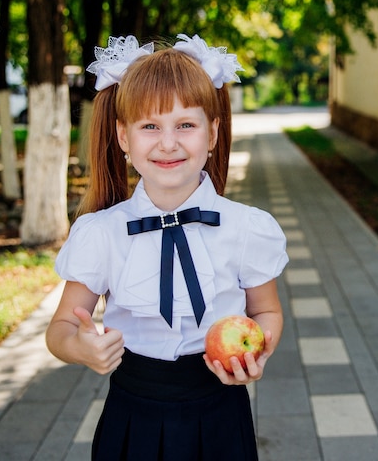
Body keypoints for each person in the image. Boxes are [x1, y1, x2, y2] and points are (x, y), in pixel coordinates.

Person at [46, 33, 289, 460]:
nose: (168, 142)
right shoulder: (101, 232)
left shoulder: (247, 228)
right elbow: (60, 329)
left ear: (213, 133)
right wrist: (79, 348)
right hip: (132, 418)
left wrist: (259, 351)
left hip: (221, 413)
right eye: (150, 126)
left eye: (186, 125)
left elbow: (266, 311)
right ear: (123, 136)